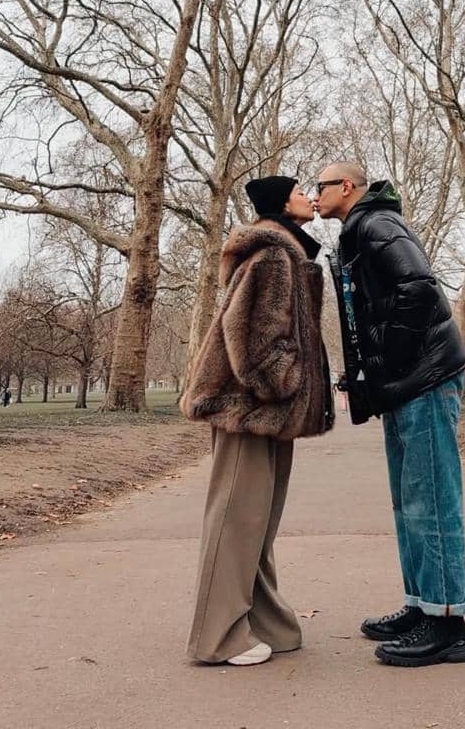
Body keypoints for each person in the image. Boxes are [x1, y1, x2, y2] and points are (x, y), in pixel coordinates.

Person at [316, 161, 465, 668]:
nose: (312, 195)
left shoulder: (378, 224)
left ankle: (448, 625)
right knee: (409, 502)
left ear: (346, 187)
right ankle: (422, 606)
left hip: (424, 379)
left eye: (319, 186)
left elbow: (421, 289)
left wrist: (390, 359)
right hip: (404, 385)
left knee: (430, 499)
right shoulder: (356, 231)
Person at [179, 176, 334, 667]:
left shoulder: (288, 252)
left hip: (268, 411)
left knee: (258, 522)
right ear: (279, 204)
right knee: (236, 520)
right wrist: (281, 383)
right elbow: (247, 332)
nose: (310, 196)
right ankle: (217, 638)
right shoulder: (271, 255)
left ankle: (265, 621)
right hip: (247, 408)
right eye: (299, 191)